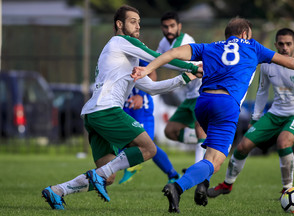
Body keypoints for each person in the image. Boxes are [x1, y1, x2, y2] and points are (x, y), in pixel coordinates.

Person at [131, 18, 294, 213]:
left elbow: (173, 53)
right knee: (215, 161)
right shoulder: (253, 46)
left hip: (202, 103)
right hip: (226, 105)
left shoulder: (209, 47)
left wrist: (147, 69)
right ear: (245, 34)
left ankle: (198, 182)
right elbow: (286, 61)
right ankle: (178, 187)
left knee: (210, 154)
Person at [41, 5, 201, 210]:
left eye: (139, 22)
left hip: (94, 114)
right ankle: (97, 175)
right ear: (119, 24)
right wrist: (193, 66)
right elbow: (156, 57)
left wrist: (185, 77)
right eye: (133, 21)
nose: (138, 26)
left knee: (108, 177)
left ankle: (57, 191)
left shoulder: (125, 56)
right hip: (106, 110)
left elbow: (151, 88)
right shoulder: (121, 41)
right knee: (149, 148)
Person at [207, 28, 294, 198]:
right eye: (281, 44)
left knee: (284, 142)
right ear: (275, 45)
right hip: (274, 115)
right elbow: (262, 91)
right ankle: (227, 185)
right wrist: (255, 118)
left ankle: (288, 189)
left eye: (288, 44)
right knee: (242, 146)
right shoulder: (267, 65)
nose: (284, 48)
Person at [158, 12, 206, 164]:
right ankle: (209, 142)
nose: (169, 30)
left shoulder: (185, 40)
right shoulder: (164, 43)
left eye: (172, 26)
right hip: (190, 95)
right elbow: (155, 59)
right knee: (171, 131)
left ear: (179, 26)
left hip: (202, 91)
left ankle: (199, 170)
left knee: (200, 128)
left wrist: (155, 61)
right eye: (165, 27)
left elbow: (170, 59)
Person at [119, 67, 181, 184]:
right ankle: (128, 166)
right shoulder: (117, 54)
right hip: (124, 104)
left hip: (141, 106)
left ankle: (173, 174)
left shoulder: (136, 51)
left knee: (147, 144)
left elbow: (152, 74)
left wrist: (141, 95)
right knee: (119, 140)